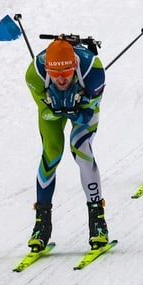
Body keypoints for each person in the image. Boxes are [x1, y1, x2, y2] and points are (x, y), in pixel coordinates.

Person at [25, 36, 108, 251]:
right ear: (47, 69)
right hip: (53, 109)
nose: (60, 80)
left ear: (75, 66)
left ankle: (97, 221)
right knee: (51, 152)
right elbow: (44, 115)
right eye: (54, 74)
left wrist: (77, 110)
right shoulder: (34, 74)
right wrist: (54, 108)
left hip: (83, 106)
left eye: (66, 73)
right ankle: (41, 223)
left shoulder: (93, 70)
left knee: (81, 148)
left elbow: (90, 112)